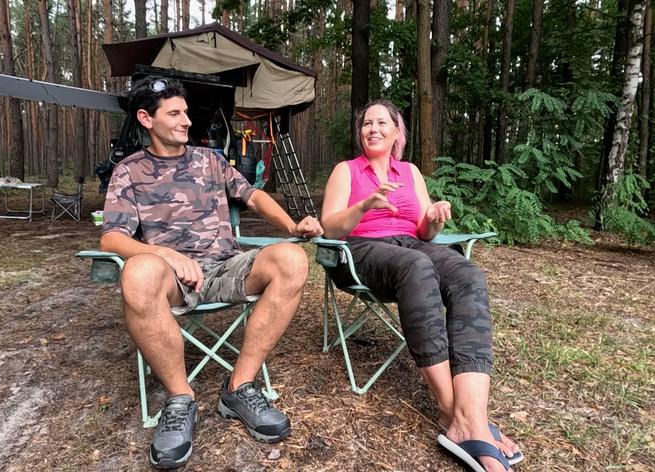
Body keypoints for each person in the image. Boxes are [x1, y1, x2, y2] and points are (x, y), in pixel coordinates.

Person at [101, 76, 323, 469]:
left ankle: (239, 386)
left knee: (292, 260)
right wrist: (164, 254)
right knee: (137, 272)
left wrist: (291, 226)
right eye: (174, 113)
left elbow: (253, 196)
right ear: (146, 119)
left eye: (186, 112)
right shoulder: (129, 171)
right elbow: (112, 238)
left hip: (225, 266)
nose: (186, 121)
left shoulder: (210, 160)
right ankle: (180, 399)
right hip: (174, 278)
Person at [320, 100, 522, 472]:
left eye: (382, 122)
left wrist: (435, 219)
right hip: (361, 251)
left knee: (467, 275)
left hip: (412, 245)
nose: (373, 129)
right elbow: (330, 229)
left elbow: (424, 232)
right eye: (367, 123)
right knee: (417, 267)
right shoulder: (345, 171)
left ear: (397, 132)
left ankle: (472, 417)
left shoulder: (411, 172)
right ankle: (452, 414)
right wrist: (365, 205)